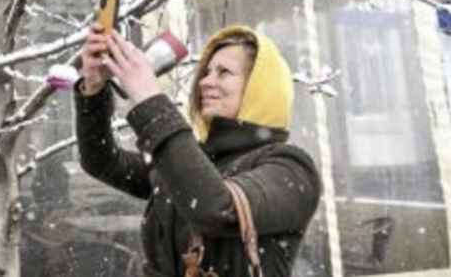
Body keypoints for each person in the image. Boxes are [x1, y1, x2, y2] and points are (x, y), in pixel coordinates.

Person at [74, 24, 321, 277]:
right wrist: (93, 89)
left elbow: (216, 208)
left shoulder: (291, 168)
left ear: (260, 88)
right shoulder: (193, 159)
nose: (205, 82)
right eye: (206, 72)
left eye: (223, 72)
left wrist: (150, 99)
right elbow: (102, 161)